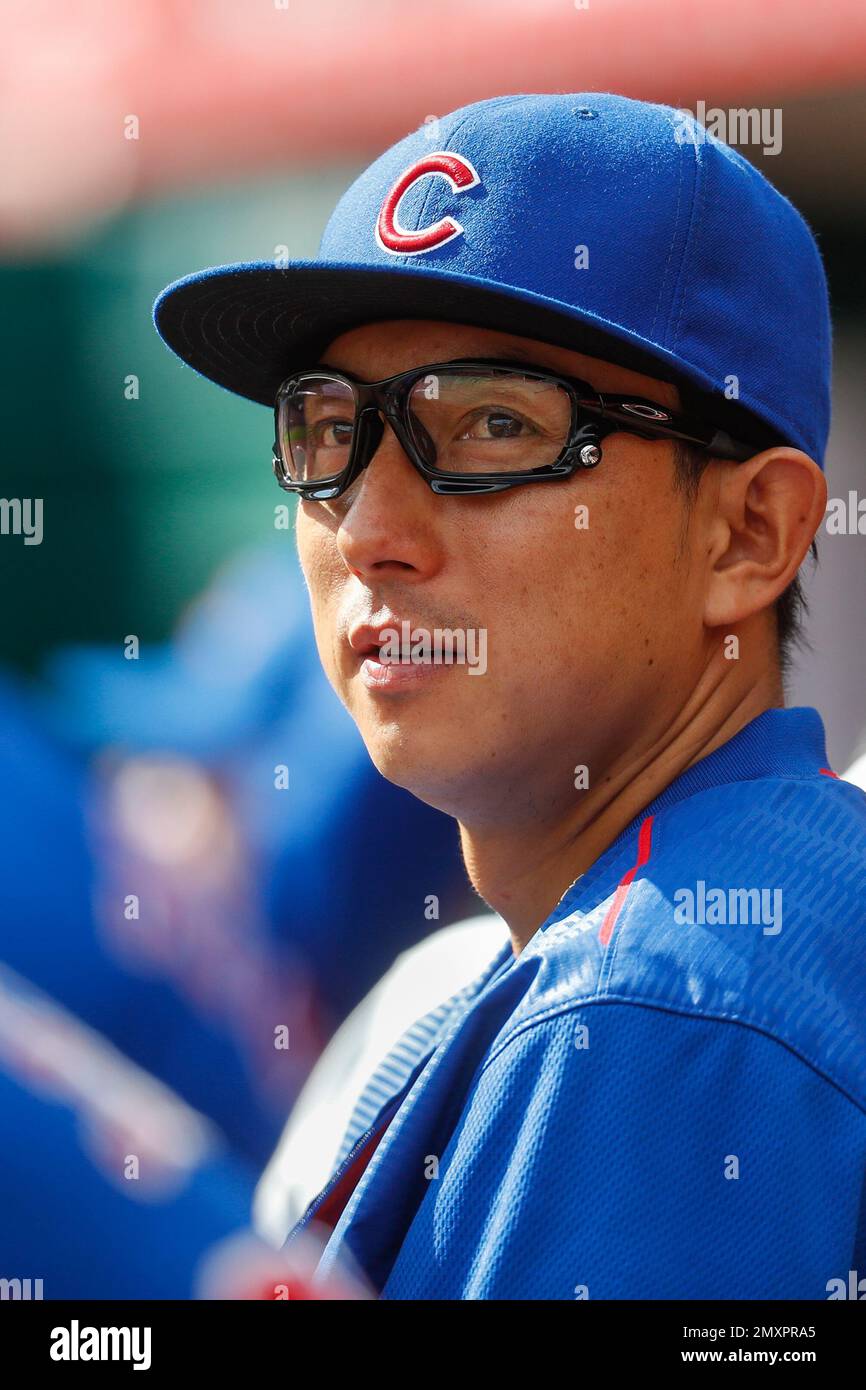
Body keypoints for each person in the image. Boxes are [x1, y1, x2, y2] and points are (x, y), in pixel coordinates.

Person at [154, 92, 866, 1299]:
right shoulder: (719, 917)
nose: (370, 528)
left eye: (491, 424)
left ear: (748, 534)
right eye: (328, 429)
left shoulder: (654, 1000)